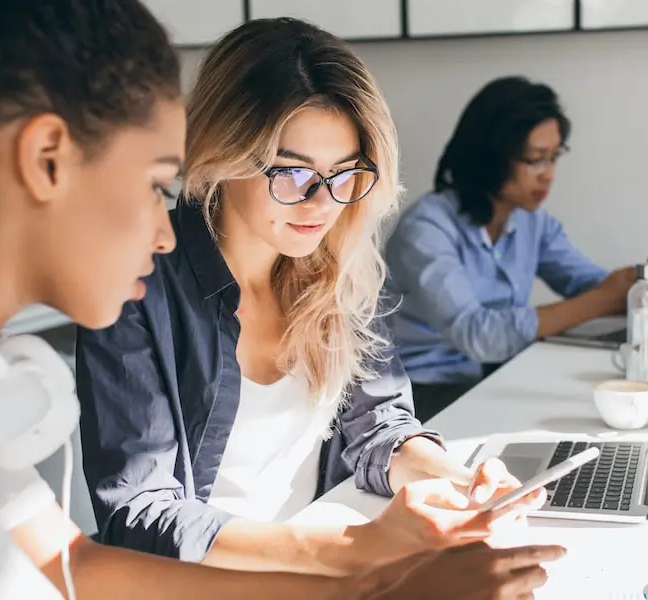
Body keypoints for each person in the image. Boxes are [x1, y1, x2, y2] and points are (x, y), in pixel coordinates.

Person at [0, 2, 562, 599]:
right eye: (158, 184)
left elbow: (75, 568)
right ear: (47, 158)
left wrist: (372, 583)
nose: (166, 231)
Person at [74, 17, 545, 579]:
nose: (323, 204)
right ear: (223, 155)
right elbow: (139, 513)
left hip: (328, 567)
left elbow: (380, 428)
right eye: (294, 174)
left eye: (346, 174)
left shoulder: (338, 271)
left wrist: (462, 480)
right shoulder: (137, 284)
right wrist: (349, 549)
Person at [384, 76, 637, 421]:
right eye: (536, 159)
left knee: (580, 406)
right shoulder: (426, 229)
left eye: (554, 157)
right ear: (491, 158)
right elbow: (477, 335)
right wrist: (605, 299)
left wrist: (638, 287)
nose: (549, 175)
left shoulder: (533, 222)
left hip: (491, 376)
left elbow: (589, 286)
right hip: (419, 394)